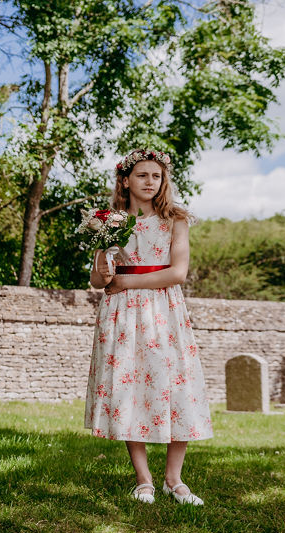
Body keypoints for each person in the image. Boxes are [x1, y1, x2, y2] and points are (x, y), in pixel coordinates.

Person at [86, 148, 212, 506]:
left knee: (176, 385)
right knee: (130, 385)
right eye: (142, 175)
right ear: (125, 180)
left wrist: (127, 283)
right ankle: (144, 479)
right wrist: (106, 270)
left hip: (163, 308)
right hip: (122, 313)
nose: (150, 182)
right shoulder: (109, 221)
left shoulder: (176, 219)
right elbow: (98, 279)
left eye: (156, 176)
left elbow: (177, 273)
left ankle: (175, 478)